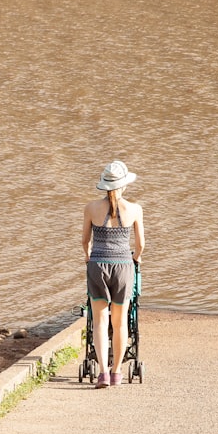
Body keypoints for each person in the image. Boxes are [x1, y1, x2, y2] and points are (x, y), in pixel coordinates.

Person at [82, 160, 145, 389]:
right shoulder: (135, 209)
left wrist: (89, 257)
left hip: (97, 265)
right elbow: (141, 245)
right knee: (120, 323)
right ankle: (117, 372)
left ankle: (103, 373)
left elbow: (85, 242)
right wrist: (135, 258)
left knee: (99, 322)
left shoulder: (90, 208)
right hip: (124, 267)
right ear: (124, 186)